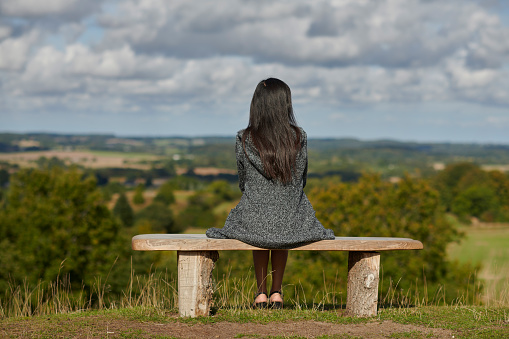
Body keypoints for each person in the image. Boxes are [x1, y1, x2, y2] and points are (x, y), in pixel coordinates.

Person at [206, 78, 335, 309]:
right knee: (282, 225)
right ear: (285, 104)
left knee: (257, 225)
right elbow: (301, 179)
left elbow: (243, 180)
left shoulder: (244, 138)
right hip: (291, 218)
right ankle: (277, 291)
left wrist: (258, 198)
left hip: (254, 215)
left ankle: (261, 292)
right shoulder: (299, 136)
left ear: (257, 104)